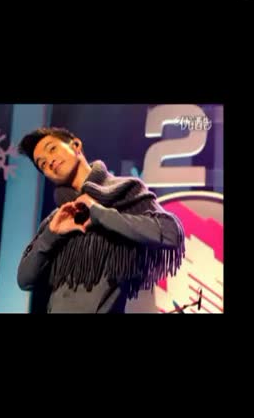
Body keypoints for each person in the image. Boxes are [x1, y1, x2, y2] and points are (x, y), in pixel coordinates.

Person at [17, 127, 185, 313]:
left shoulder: (125, 191)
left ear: (76, 145)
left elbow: (171, 232)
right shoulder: (57, 219)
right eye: (42, 164)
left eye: (52, 149)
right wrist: (51, 235)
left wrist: (100, 214)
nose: (49, 161)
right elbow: (24, 280)